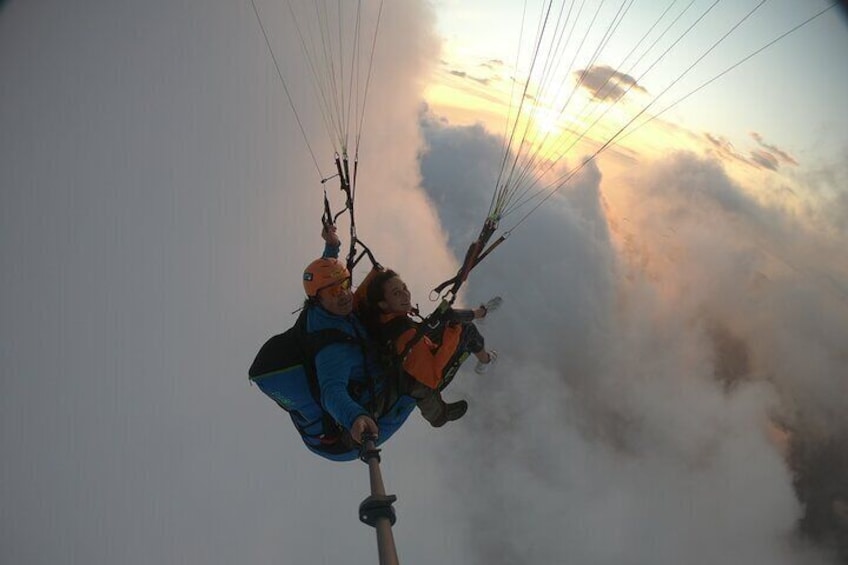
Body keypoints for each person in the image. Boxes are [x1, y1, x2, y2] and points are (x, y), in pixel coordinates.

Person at [300, 225, 417, 459]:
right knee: (418, 374)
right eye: (334, 292)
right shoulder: (333, 350)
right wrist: (355, 418)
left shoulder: (321, 306)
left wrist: (332, 246)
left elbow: (326, 272)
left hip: (360, 366)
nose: (343, 294)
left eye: (344, 285)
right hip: (357, 434)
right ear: (318, 299)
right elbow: (331, 391)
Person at [361, 268, 501, 427]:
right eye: (396, 293)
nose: (405, 294)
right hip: (425, 379)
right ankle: (485, 361)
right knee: (466, 329)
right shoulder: (402, 334)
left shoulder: (384, 318)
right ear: (383, 303)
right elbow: (433, 375)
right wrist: (453, 332)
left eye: (404, 288)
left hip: (414, 355)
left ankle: (480, 314)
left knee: (448, 320)